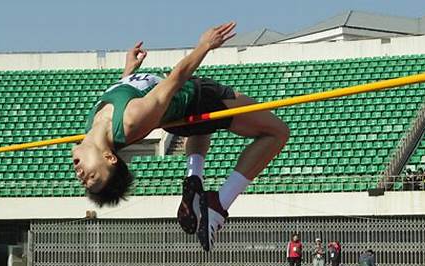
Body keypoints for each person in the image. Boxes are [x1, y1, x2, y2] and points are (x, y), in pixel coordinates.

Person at [71, 22, 290, 252]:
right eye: (91, 177)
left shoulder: (93, 125)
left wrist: (128, 71)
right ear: (109, 158)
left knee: (201, 128)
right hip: (198, 98)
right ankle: (219, 204)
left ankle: (194, 178)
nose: (81, 176)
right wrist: (205, 45)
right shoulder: (131, 119)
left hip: (183, 123)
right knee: (277, 132)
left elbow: (125, 93)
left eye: (84, 180)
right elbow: (175, 79)